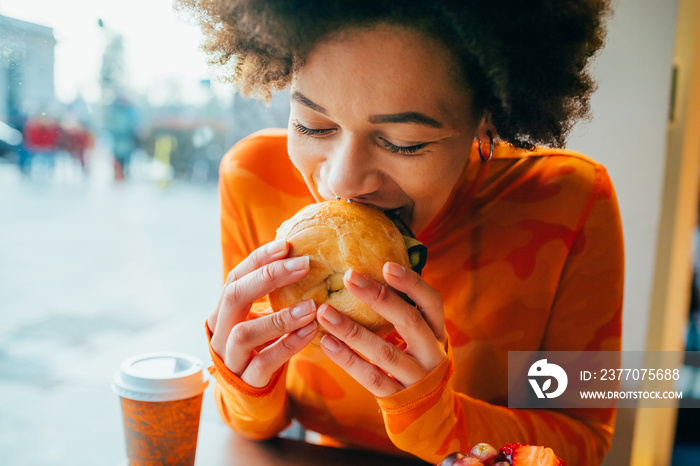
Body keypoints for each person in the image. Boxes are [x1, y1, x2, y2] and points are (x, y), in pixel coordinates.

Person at [177, 1, 622, 464]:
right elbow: (256, 427)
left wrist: (440, 419)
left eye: (404, 143)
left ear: (485, 115)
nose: (343, 181)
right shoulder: (253, 179)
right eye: (312, 124)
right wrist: (245, 385)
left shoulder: (570, 201)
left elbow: (585, 436)